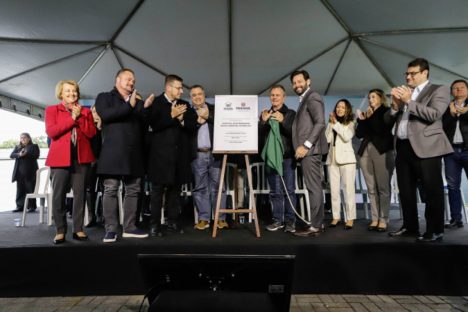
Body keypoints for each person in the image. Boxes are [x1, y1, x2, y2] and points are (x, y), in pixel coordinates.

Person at [385, 58, 451, 242]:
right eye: (406, 73)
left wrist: (409, 101)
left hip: (427, 147)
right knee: (405, 191)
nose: (408, 76)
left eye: (412, 73)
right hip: (403, 147)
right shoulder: (404, 93)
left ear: (425, 73)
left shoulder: (439, 89)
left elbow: (434, 114)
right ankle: (410, 226)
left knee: (432, 191)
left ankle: (435, 230)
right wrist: (395, 106)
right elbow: (387, 120)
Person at [95, 68, 154, 243]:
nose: (132, 83)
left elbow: (143, 127)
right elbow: (107, 115)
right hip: (112, 153)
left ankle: (130, 227)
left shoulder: (139, 101)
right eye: (128, 79)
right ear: (117, 81)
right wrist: (130, 105)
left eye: (133, 80)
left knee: (133, 190)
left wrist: (146, 109)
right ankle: (111, 230)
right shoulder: (104, 97)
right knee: (111, 189)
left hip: (134, 153)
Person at [146, 75, 197, 237]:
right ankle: (154, 225)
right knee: (157, 194)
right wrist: (171, 115)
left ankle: (172, 222)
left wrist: (181, 119)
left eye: (182, 88)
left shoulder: (185, 105)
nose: (181, 91)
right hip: (160, 158)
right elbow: (153, 125)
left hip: (179, 157)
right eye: (178, 88)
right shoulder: (156, 103)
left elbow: (192, 125)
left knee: (175, 193)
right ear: (168, 87)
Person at [45, 80, 96, 244]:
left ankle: (78, 229)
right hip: (59, 159)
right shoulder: (52, 110)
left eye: (74, 91)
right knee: (58, 196)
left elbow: (91, 133)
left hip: (81, 159)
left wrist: (80, 117)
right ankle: (60, 230)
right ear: (61, 93)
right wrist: (72, 118)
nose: (71, 94)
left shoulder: (86, 112)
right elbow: (52, 132)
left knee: (80, 195)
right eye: (67, 91)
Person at [290, 70, 328, 237]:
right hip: (309, 151)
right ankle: (316, 223)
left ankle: (316, 226)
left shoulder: (312, 96)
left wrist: (305, 145)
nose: (297, 85)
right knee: (313, 187)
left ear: (308, 81)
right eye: (294, 83)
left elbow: (320, 123)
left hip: (311, 151)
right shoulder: (305, 98)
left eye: (300, 81)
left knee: (314, 188)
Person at [189, 85, 228, 230]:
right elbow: (186, 131)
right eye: (194, 95)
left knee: (219, 187)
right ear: (191, 98)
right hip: (197, 154)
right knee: (200, 188)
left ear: (204, 95)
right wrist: (197, 122)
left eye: (200, 94)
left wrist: (207, 116)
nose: (197, 97)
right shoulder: (188, 112)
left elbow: (223, 124)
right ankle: (204, 219)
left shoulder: (214, 109)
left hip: (215, 153)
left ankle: (220, 218)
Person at [259, 85, 297, 233]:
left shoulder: (291, 114)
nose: (274, 97)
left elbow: (295, 133)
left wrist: (283, 121)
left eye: (277, 95)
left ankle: (290, 221)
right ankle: (277, 220)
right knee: (275, 191)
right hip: (271, 158)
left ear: (284, 97)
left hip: (287, 158)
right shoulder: (265, 114)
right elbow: (259, 136)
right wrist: (263, 122)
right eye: (272, 95)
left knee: (289, 190)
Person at [355, 89, 395, 232]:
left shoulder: (387, 111)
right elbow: (359, 133)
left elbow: (381, 129)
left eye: (373, 97)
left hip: (382, 150)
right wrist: (363, 120)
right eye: (369, 97)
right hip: (366, 150)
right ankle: (374, 218)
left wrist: (368, 119)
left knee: (383, 188)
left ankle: (384, 219)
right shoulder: (368, 113)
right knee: (371, 188)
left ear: (381, 98)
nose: (370, 99)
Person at [325, 99, 357, 230]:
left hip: (347, 160)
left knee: (348, 190)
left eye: (342, 107)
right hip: (332, 160)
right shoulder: (332, 123)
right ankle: (336, 216)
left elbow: (346, 136)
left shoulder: (350, 123)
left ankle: (350, 218)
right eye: (338, 107)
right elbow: (327, 139)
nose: (339, 109)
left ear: (347, 109)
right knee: (334, 190)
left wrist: (336, 124)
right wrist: (330, 124)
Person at [442, 79, 468, 229]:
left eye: (462, 87)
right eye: (455, 88)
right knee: (452, 186)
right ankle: (455, 219)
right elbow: (440, 126)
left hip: (467, 150)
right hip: (451, 151)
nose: (458, 90)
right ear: (451, 91)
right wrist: (451, 114)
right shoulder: (446, 107)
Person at [10, 133, 40, 213]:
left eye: (24, 137)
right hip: (19, 173)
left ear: (29, 138)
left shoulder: (34, 146)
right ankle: (20, 206)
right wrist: (19, 154)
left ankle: (32, 206)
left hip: (31, 172)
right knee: (20, 190)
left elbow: (36, 155)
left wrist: (26, 154)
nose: (22, 139)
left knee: (31, 189)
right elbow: (11, 155)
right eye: (21, 138)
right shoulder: (18, 147)